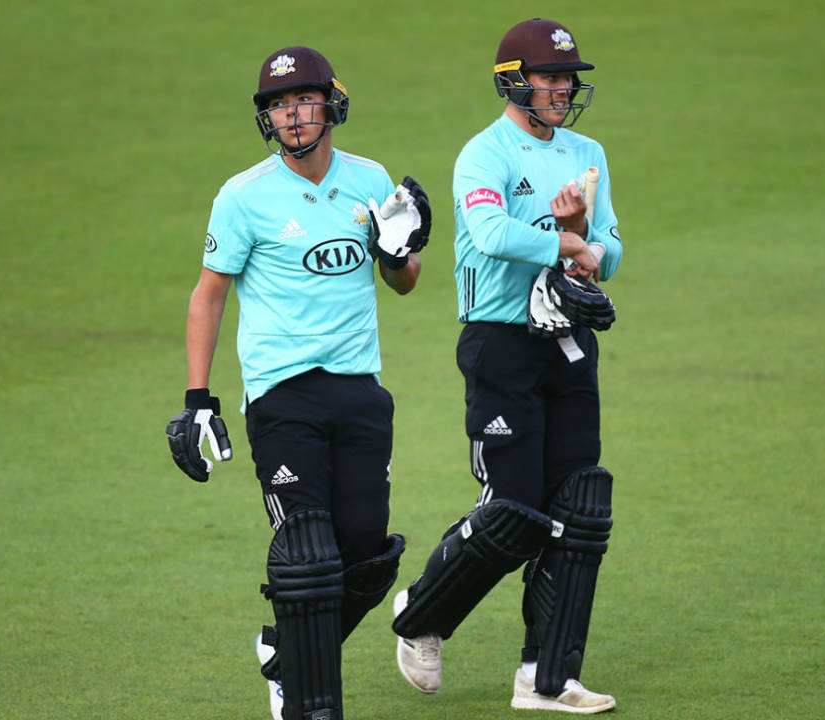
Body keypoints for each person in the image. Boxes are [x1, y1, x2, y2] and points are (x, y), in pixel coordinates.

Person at [165, 46, 431, 720]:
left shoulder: (371, 180)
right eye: (278, 105)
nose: (291, 114)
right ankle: (301, 692)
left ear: (331, 104)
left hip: (360, 391)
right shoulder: (243, 196)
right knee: (308, 552)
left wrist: (398, 253)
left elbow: (403, 282)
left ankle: (287, 653)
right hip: (282, 396)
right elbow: (208, 296)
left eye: (302, 100)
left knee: (368, 559)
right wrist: (198, 401)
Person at [389, 18, 623, 714]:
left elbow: (609, 247)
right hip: (499, 341)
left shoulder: (588, 152)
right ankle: (422, 617)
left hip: (569, 339)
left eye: (567, 78)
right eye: (549, 77)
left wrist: (586, 246)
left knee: (577, 507)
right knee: (517, 512)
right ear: (514, 83)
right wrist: (563, 238)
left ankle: (547, 678)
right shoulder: (483, 154)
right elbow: (489, 235)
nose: (562, 88)